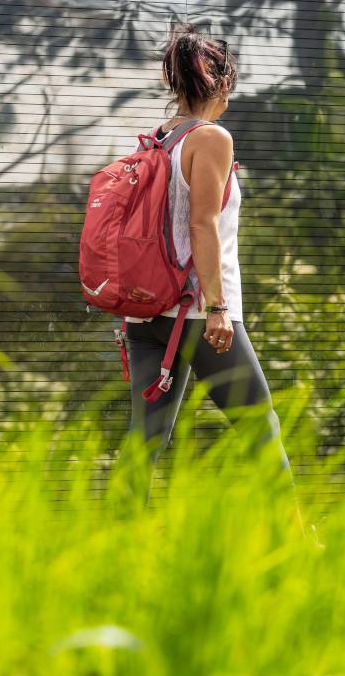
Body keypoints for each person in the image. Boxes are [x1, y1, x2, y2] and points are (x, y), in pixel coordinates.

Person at [123, 24, 293, 483]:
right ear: (224, 84)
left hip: (146, 313)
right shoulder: (211, 138)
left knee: (146, 441)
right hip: (199, 310)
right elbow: (203, 224)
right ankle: (298, 544)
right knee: (261, 427)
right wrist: (217, 307)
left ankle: (113, 544)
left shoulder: (155, 139)